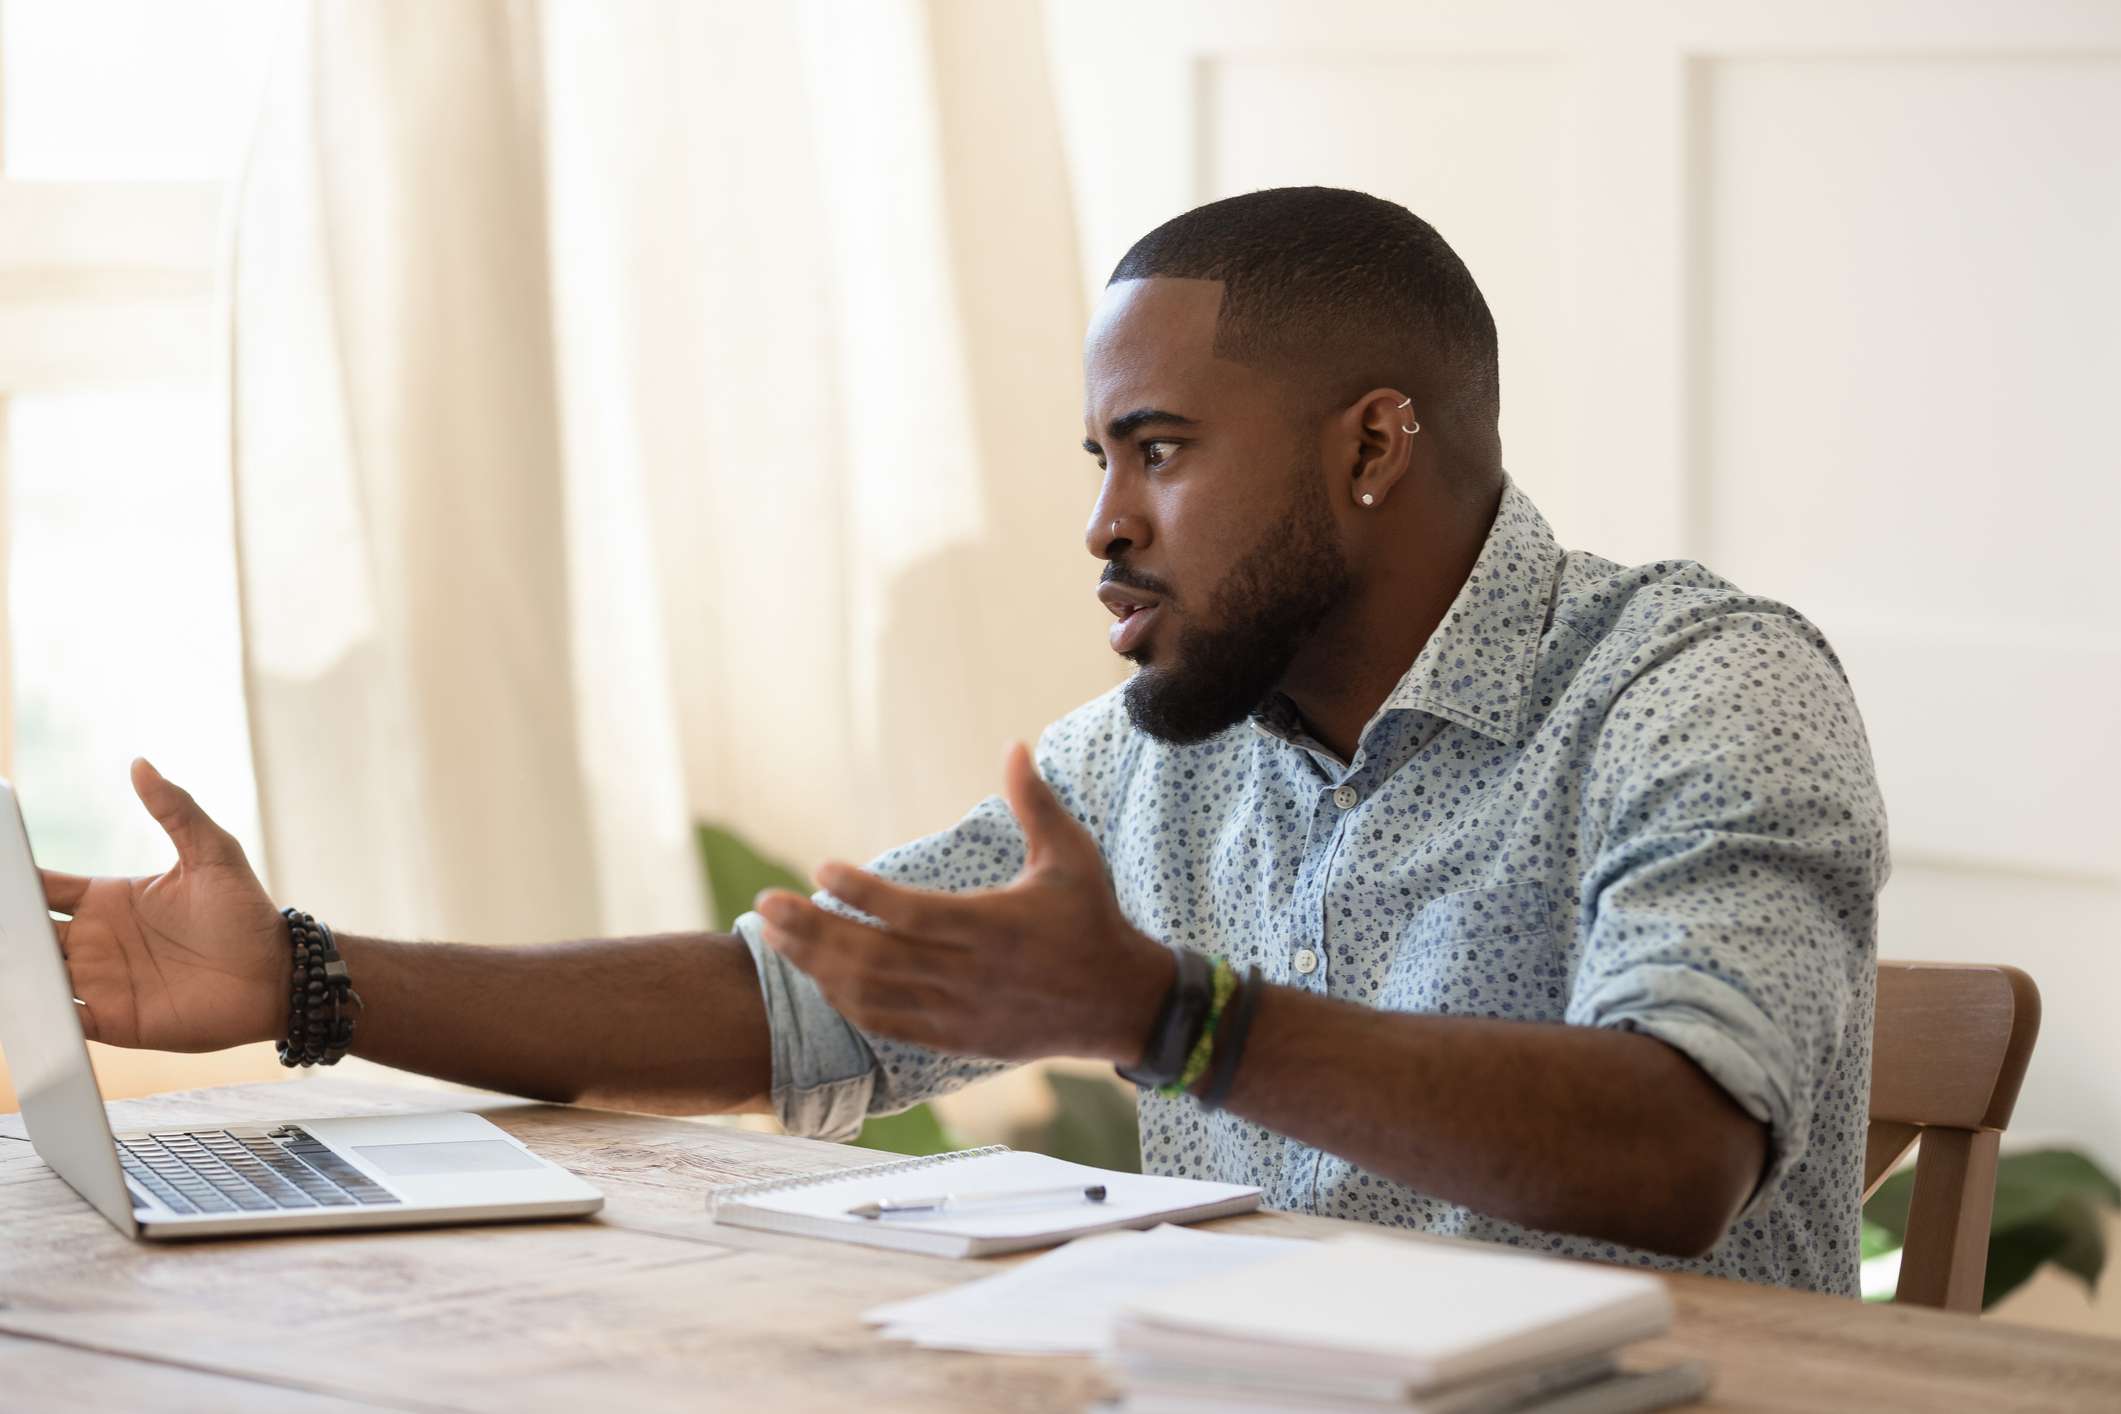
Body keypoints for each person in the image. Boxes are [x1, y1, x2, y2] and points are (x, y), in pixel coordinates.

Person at [43, 187, 1886, 1295]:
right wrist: (303, 978)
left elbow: (1673, 1148)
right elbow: (788, 1002)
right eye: (1098, 459)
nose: (1102, 521)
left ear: (1371, 446)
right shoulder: (1157, 758)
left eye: (1155, 448)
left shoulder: (1698, 689)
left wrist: (1177, 1017)